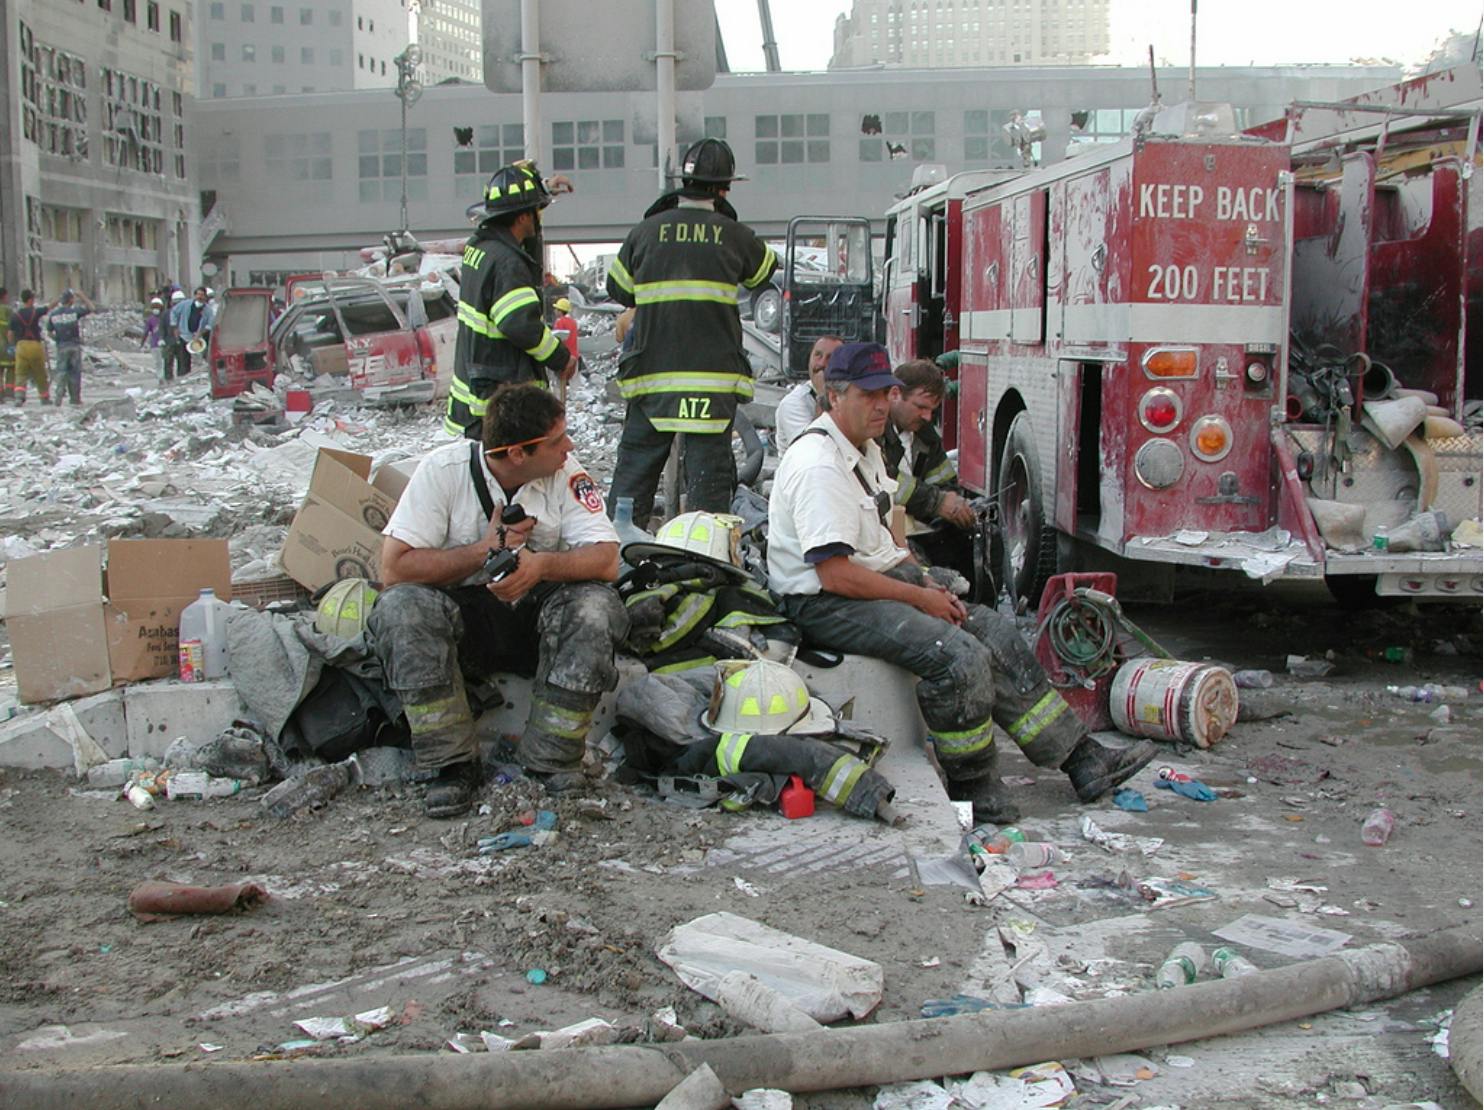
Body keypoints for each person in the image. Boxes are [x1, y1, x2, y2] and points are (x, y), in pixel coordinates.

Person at [766, 341, 1156, 823]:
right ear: (835, 397)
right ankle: (974, 786)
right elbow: (835, 572)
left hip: (867, 581)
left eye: (884, 394)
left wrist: (925, 579)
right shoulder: (818, 464)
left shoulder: (862, 449)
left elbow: (888, 533)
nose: (880, 405)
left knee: (993, 631)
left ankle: (1082, 758)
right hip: (824, 601)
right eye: (868, 396)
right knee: (957, 655)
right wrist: (919, 597)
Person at [370, 384, 629, 818]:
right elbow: (394, 570)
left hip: (537, 619)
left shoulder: (566, 473)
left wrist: (539, 566)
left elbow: (606, 560)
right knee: (401, 608)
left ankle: (552, 758)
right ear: (516, 454)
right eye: (555, 441)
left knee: (596, 607)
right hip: (465, 623)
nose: (568, 447)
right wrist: (481, 551)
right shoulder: (443, 472)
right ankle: (450, 765)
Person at [605, 138, 778, 524]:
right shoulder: (734, 234)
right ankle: (706, 563)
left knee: (632, 481)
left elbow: (617, 288)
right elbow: (764, 270)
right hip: (711, 386)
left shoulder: (645, 232)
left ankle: (615, 557)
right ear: (724, 188)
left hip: (652, 382)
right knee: (708, 488)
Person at [446, 161, 574, 439]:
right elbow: (520, 325)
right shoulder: (508, 264)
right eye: (535, 210)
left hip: (473, 394)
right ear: (522, 217)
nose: (538, 216)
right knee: (507, 476)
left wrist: (542, 188)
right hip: (497, 400)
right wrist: (561, 357)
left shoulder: (481, 246)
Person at [879, 358, 978, 576]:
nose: (927, 416)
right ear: (895, 395)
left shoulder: (925, 436)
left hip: (918, 527)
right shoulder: (875, 430)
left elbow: (943, 480)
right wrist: (938, 502)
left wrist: (955, 505)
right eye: (921, 407)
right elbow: (884, 479)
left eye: (932, 409)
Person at [774, 335, 844, 452]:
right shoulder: (793, 403)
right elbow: (813, 450)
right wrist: (823, 394)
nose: (822, 363)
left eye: (830, 358)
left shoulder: (847, 395)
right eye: (818, 355)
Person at [46, 289, 95, 406]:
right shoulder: (74, 312)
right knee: (74, 373)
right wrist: (83, 296)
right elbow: (92, 308)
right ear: (71, 300)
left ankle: (58, 397)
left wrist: (57, 339)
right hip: (74, 346)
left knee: (61, 372)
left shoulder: (54, 315)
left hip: (62, 346)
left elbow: (49, 332)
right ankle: (75, 398)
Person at [7, 289, 51, 405]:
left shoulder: (15, 315)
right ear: (30, 300)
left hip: (21, 346)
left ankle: (19, 397)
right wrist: (58, 301)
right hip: (34, 345)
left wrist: (12, 346)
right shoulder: (35, 312)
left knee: (20, 373)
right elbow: (48, 308)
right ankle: (44, 397)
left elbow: (10, 333)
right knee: (40, 373)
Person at [168, 287, 214, 378]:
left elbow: (210, 324)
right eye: (198, 294)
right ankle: (183, 377)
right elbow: (174, 312)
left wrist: (200, 333)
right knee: (183, 359)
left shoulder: (208, 310)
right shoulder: (185, 305)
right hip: (184, 335)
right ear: (195, 295)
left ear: (205, 297)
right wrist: (175, 326)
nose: (200, 297)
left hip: (198, 339)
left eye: (202, 295)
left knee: (201, 359)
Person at [551, 296, 580, 365]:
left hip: (565, 357)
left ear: (560, 311)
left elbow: (557, 340)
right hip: (575, 356)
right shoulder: (573, 322)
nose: (554, 311)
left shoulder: (559, 321)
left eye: (556, 309)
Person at [0, 288, 14, 404]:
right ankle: (9, 392)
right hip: (6, 346)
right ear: (4, 296)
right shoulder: (8, 311)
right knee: (10, 368)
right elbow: (13, 329)